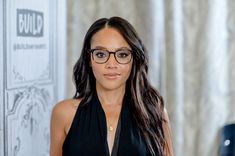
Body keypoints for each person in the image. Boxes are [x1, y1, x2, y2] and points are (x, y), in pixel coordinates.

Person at [50, 16, 173, 156]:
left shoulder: (155, 112)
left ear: (134, 59)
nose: (111, 64)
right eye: (101, 54)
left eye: (122, 54)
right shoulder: (63, 113)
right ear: (89, 58)